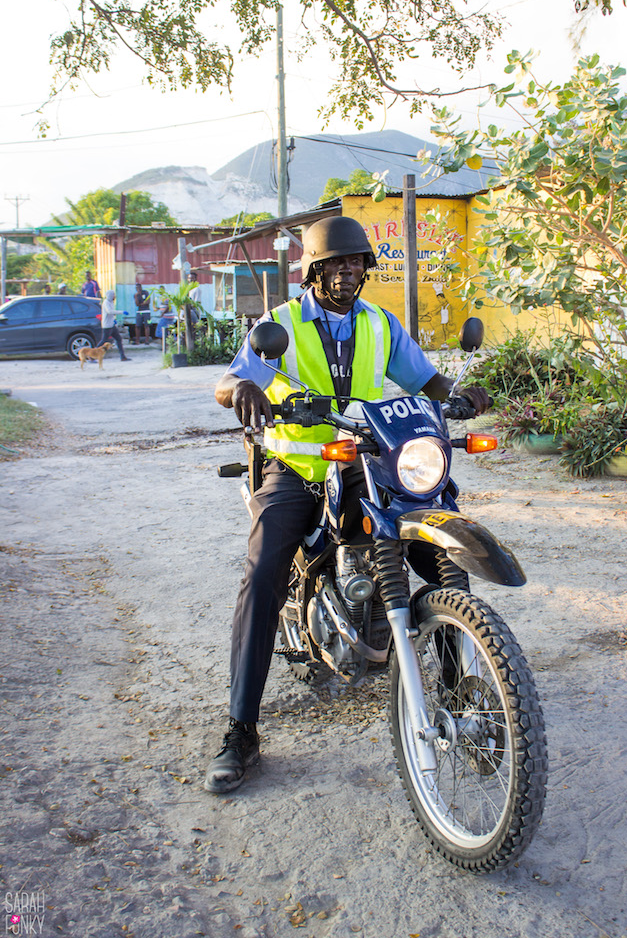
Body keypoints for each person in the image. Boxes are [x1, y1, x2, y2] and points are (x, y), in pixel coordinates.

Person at [204, 215, 491, 795]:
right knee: (261, 578)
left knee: (443, 560)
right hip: (299, 470)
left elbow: (423, 379)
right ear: (315, 268)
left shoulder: (381, 323)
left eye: (356, 262)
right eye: (336, 262)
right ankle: (241, 729)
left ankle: (465, 694)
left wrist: (456, 395)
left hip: (363, 463)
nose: (347, 271)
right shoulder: (278, 323)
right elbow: (229, 382)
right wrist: (245, 389)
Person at [101, 290, 130, 361]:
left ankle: (122, 356)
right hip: (107, 325)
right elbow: (109, 311)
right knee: (103, 340)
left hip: (112, 325)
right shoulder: (106, 302)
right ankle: (92, 355)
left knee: (119, 339)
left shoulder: (111, 302)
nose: (114, 296)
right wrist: (121, 312)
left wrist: (114, 320)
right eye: (113, 295)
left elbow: (111, 313)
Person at [133, 279, 152, 345]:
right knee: (137, 326)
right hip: (140, 312)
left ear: (141, 287)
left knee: (147, 326)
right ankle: (137, 341)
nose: (138, 289)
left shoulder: (146, 292)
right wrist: (136, 297)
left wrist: (142, 303)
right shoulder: (136, 295)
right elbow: (137, 304)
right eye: (136, 288)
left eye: (139, 287)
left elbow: (148, 302)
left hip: (147, 311)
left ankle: (147, 340)